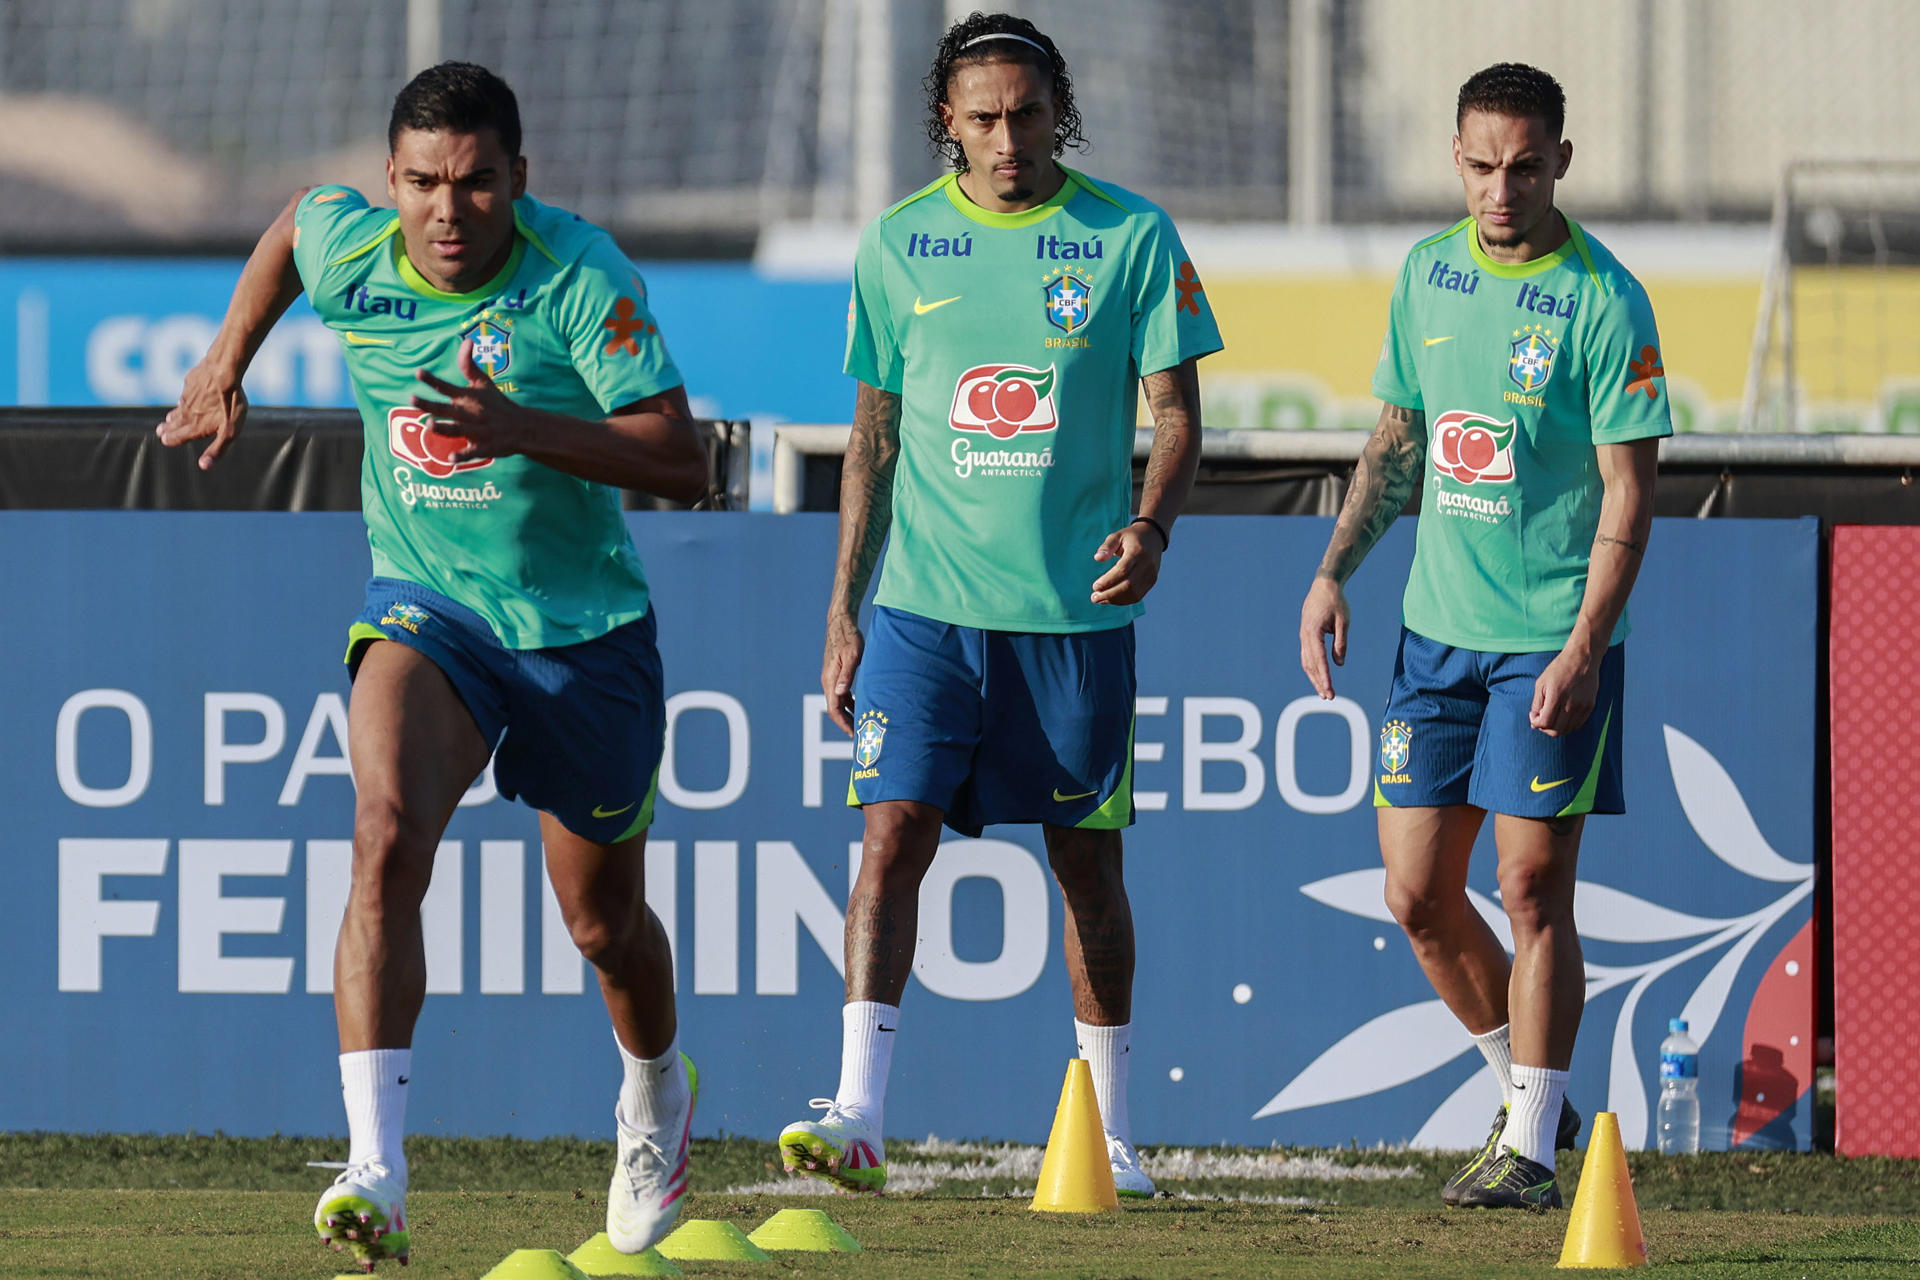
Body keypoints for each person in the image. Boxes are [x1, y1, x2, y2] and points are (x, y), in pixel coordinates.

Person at [157, 62, 708, 1269]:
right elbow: (293, 230)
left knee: (603, 922)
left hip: (581, 632)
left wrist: (524, 429)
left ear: (520, 179)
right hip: (429, 610)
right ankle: (375, 1165)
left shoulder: (578, 275)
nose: (447, 213)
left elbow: (686, 460)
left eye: (474, 184)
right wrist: (226, 361)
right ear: (390, 182)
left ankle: (656, 1093)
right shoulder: (357, 250)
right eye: (420, 184)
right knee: (386, 824)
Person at [778, 11, 1221, 1199]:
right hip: (926, 611)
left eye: (1027, 114)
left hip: (1074, 619)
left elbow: (1176, 417)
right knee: (892, 835)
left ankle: (1113, 1128)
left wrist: (1153, 522)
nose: (1008, 138)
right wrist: (844, 612)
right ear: (948, 123)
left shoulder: (1130, 236)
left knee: (1086, 862)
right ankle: (858, 1108)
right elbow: (871, 438)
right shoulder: (900, 245)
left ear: (1055, 111)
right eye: (983, 118)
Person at [1299, 62, 1668, 1209]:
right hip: (1433, 639)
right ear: (1456, 157)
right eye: (1478, 165)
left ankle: (1530, 1144)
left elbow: (1628, 490)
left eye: (1522, 166)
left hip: (1546, 644)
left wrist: (1584, 643)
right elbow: (1399, 441)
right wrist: (1332, 570)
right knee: (1414, 893)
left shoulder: (1607, 299)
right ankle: (1531, 1098)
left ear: (1561, 159)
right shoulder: (1427, 272)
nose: (1498, 189)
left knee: (1530, 886)